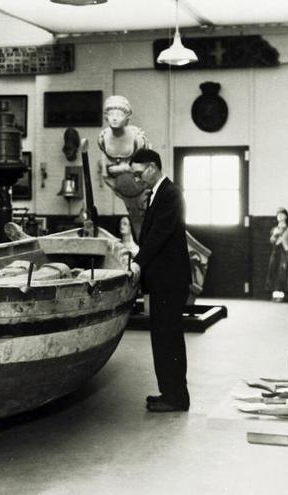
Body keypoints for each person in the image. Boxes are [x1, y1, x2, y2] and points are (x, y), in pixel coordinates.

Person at [129, 148, 192, 413]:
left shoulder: (170, 194)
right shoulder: (156, 195)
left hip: (170, 280)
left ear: (153, 167)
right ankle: (169, 392)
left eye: (139, 172)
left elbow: (160, 235)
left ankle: (176, 398)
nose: (137, 179)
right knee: (162, 337)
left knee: (169, 338)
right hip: (163, 280)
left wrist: (138, 262)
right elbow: (149, 236)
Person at [97, 95, 151, 238]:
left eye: (119, 114)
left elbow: (146, 167)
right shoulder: (103, 138)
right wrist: (116, 185)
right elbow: (104, 172)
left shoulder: (137, 138)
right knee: (138, 227)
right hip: (123, 190)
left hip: (142, 189)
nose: (115, 118)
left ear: (127, 117)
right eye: (111, 114)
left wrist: (120, 169)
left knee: (149, 224)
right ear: (105, 117)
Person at [266, 207, 288, 301]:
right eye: (278, 215)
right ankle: (275, 294)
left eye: (282, 214)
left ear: (286, 216)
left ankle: (283, 295)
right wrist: (275, 234)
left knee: (283, 273)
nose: (280, 216)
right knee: (273, 271)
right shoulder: (274, 229)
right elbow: (272, 240)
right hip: (275, 252)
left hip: (285, 251)